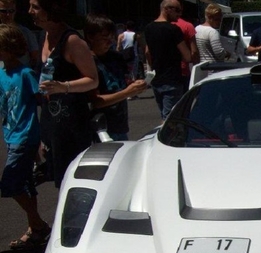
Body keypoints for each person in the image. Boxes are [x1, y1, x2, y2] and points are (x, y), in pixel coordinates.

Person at [29, 0, 99, 188]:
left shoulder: (71, 40)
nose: (30, 11)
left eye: (36, 6)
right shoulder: (45, 35)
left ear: (51, 9)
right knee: (59, 180)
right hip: (52, 120)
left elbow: (93, 79)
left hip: (72, 125)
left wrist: (64, 86)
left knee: (74, 181)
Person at [0, 24, 50, 250]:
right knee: (26, 185)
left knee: (10, 185)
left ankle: (39, 225)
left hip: (25, 136)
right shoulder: (2, 74)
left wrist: (43, 139)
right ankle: (35, 229)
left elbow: (44, 103)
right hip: (10, 135)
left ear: (9, 48)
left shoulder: (26, 74)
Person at [84, 13, 147, 141]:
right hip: (99, 129)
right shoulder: (87, 62)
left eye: (112, 37)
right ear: (90, 37)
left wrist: (136, 85)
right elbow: (95, 102)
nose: (110, 41)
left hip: (120, 125)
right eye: (104, 38)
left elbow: (126, 82)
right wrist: (126, 93)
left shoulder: (116, 57)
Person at [144, 0, 191, 120]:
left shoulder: (149, 28)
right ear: (167, 9)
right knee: (171, 118)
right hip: (172, 78)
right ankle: (171, 138)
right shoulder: (173, 29)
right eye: (177, 10)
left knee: (164, 114)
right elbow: (187, 56)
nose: (179, 14)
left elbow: (147, 52)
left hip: (156, 78)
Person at [0, 0, 39, 69]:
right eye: (4, 11)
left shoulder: (26, 32)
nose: (8, 14)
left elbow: (35, 57)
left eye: (11, 11)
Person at [174, 11, 198, 91]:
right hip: (183, 69)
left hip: (163, 71)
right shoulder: (187, 26)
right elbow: (194, 51)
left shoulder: (158, 26)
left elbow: (147, 52)